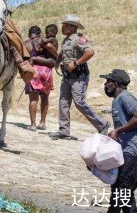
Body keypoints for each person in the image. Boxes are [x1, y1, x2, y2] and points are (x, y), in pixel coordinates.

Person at [49, 14, 109, 140]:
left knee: (79, 102)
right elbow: (63, 52)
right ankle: (64, 131)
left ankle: (102, 124)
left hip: (79, 76)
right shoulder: (66, 40)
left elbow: (90, 52)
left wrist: (76, 63)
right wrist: (57, 61)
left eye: (65, 25)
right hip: (67, 76)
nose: (63, 27)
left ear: (72, 27)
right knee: (63, 102)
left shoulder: (78, 39)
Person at [100, 69, 137, 212]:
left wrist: (118, 130)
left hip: (132, 151)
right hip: (126, 152)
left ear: (115, 84)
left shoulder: (125, 97)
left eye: (108, 82)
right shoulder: (117, 100)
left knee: (122, 189)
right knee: (122, 191)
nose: (105, 84)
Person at [23, 26, 57, 131]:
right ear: (39, 33)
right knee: (45, 98)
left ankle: (33, 125)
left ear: (29, 34)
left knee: (33, 99)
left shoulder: (25, 44)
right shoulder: (43, 41)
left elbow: (23, 59)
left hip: (34, 71)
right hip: (46, 71)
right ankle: (42, 123)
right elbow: (53, 53)